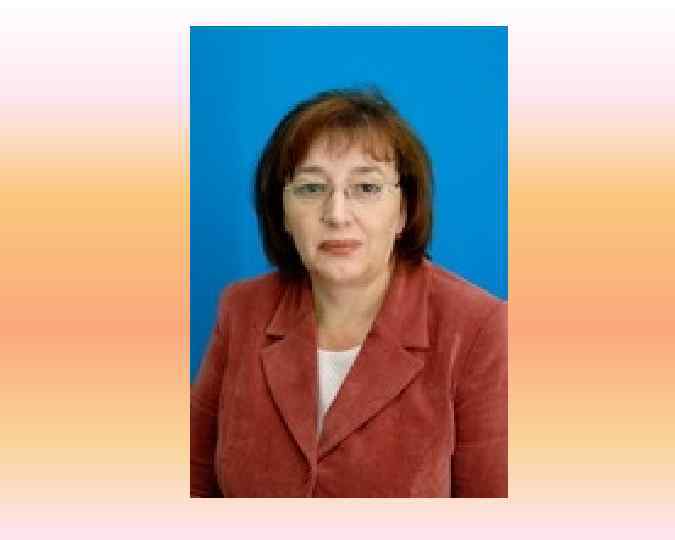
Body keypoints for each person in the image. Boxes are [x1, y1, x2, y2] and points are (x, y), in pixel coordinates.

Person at [191, 88, 507, 497]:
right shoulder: (242, 310)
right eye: (311, 188)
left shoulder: (478, 328)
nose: (337, 215)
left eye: (366, 188)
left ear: (404, 210)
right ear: (281, 211)